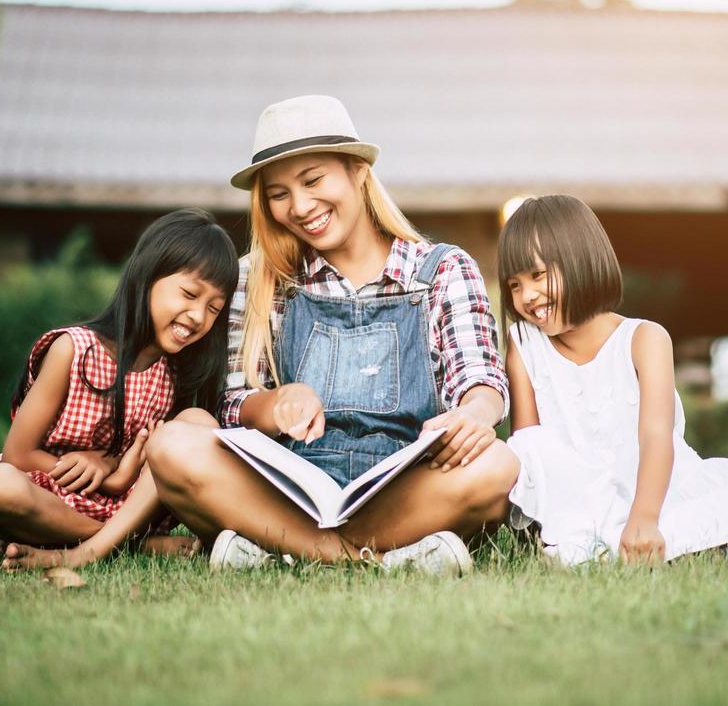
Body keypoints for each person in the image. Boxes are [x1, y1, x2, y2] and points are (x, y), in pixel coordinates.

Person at [144, 95, 520, 575]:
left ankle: (280, 551)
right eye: (278, 194)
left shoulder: (443, 269)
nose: (300, 207)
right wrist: (276, 404)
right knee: (173, 446)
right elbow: (230, 404)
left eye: (313, 180)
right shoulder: (256, 279)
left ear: (358, 172)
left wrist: (473, 414)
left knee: (498, 465)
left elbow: (482, 380)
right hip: (286, 488)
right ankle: (379, 560)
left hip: (405, 488)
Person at [498, 195, 728, 565]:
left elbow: (656, 437)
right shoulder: (524, 344)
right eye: (514, 285)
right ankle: (611, 543)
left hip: (658, 492)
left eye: (538, 275)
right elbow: (530, 446)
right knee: (533, 448)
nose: (527, 295)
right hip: (578, 499)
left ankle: (622, 544)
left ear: (580, 260)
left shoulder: (645, 339)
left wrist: (644, 519)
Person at [0, 208, 237, 569]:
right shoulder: (74, 349)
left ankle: (95, 546)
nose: (198, 316)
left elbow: (156, 464)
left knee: (199, 421)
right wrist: (104, 476)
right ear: (147, 276)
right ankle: (134, 544)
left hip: (133, 506)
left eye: (213, 308)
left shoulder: (176, 373)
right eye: (189, 294)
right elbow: (18, 454)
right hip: (51, 497)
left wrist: (117, 475)